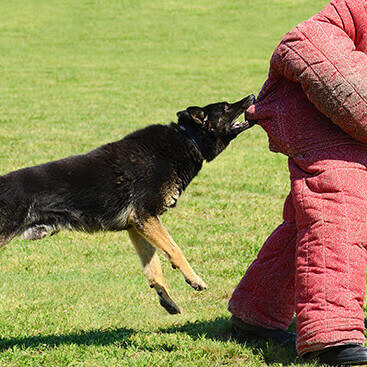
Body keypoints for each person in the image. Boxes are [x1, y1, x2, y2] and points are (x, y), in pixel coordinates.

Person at [228, 0, 367, 365]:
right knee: (340, 206)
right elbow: (311, 41)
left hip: (343, 86)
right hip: (316, 88)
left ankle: (254, 313)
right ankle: (332, 334)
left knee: (304, 222)